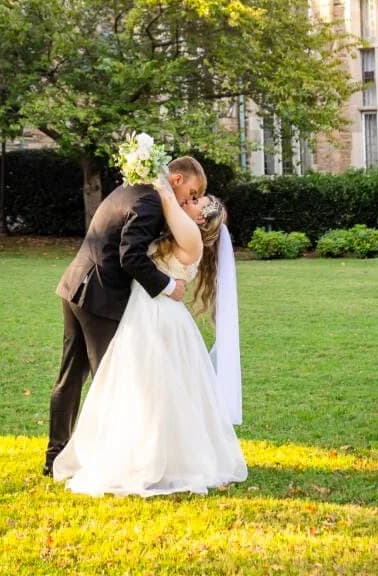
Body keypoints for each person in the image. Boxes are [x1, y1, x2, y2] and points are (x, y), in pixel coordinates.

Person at [51, 180, 248, 496]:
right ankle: (122, 452)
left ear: (202, 219)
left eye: (198, 201)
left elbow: (166, 206)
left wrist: (161, 181)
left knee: (145, 389)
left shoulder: (192, 236)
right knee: (136, 387)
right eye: (193, 196)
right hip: (142, 312)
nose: (191, 201)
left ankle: (141, 458)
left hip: (157, 316)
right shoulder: (177, 229)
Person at [43, 155, 207, 477]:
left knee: (70, 379)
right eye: (192, 190)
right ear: (176, 179)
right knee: (112, 381)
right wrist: (168, 284)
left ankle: (55, 459)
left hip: (76, 285)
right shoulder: (149, 202)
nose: (192, 199)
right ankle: (108, 463)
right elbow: (130, 256)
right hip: (100, 297)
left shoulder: (134, 189)